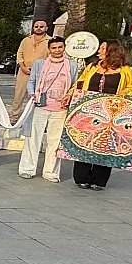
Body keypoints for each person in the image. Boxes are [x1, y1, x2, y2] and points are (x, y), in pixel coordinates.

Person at [69, 39, 132, 190]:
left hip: (112, 113)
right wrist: (70, 95)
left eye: (102, 48)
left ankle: (99, 180)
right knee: (85, 141)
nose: (99, 51)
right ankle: (82, 177)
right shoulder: (92, 67)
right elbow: (80, 83)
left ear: (111, 51)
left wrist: (124, 92)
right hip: (90, 110)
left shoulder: (125, 70)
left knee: (106, 144)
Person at [19, 35, 78, 182]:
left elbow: (75, 84)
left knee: (55, 141)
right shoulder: (40, 63)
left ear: (64, 48)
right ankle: (27, 168)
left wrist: (69, 97)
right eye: (54, 48)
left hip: (61, 108)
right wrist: (32, 94)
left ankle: (50, 171)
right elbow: (31, 81)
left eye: (60, 47)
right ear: (49, 49)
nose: (57, 50)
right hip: (40, 105)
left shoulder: (72, 65)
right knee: (33, 138)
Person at [13, 19, 50, 117]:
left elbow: (50, 58)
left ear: (46, 28)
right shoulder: (26, 40)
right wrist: (23, 67)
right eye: (36, 26)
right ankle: (14, 117)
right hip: (24, 72)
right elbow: (19, 54)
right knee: (18, 97)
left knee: (37, 96)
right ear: (33, 28)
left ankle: (33, 118)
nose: (38, 28)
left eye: (41, 26)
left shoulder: (50, 41)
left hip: (40, 74)